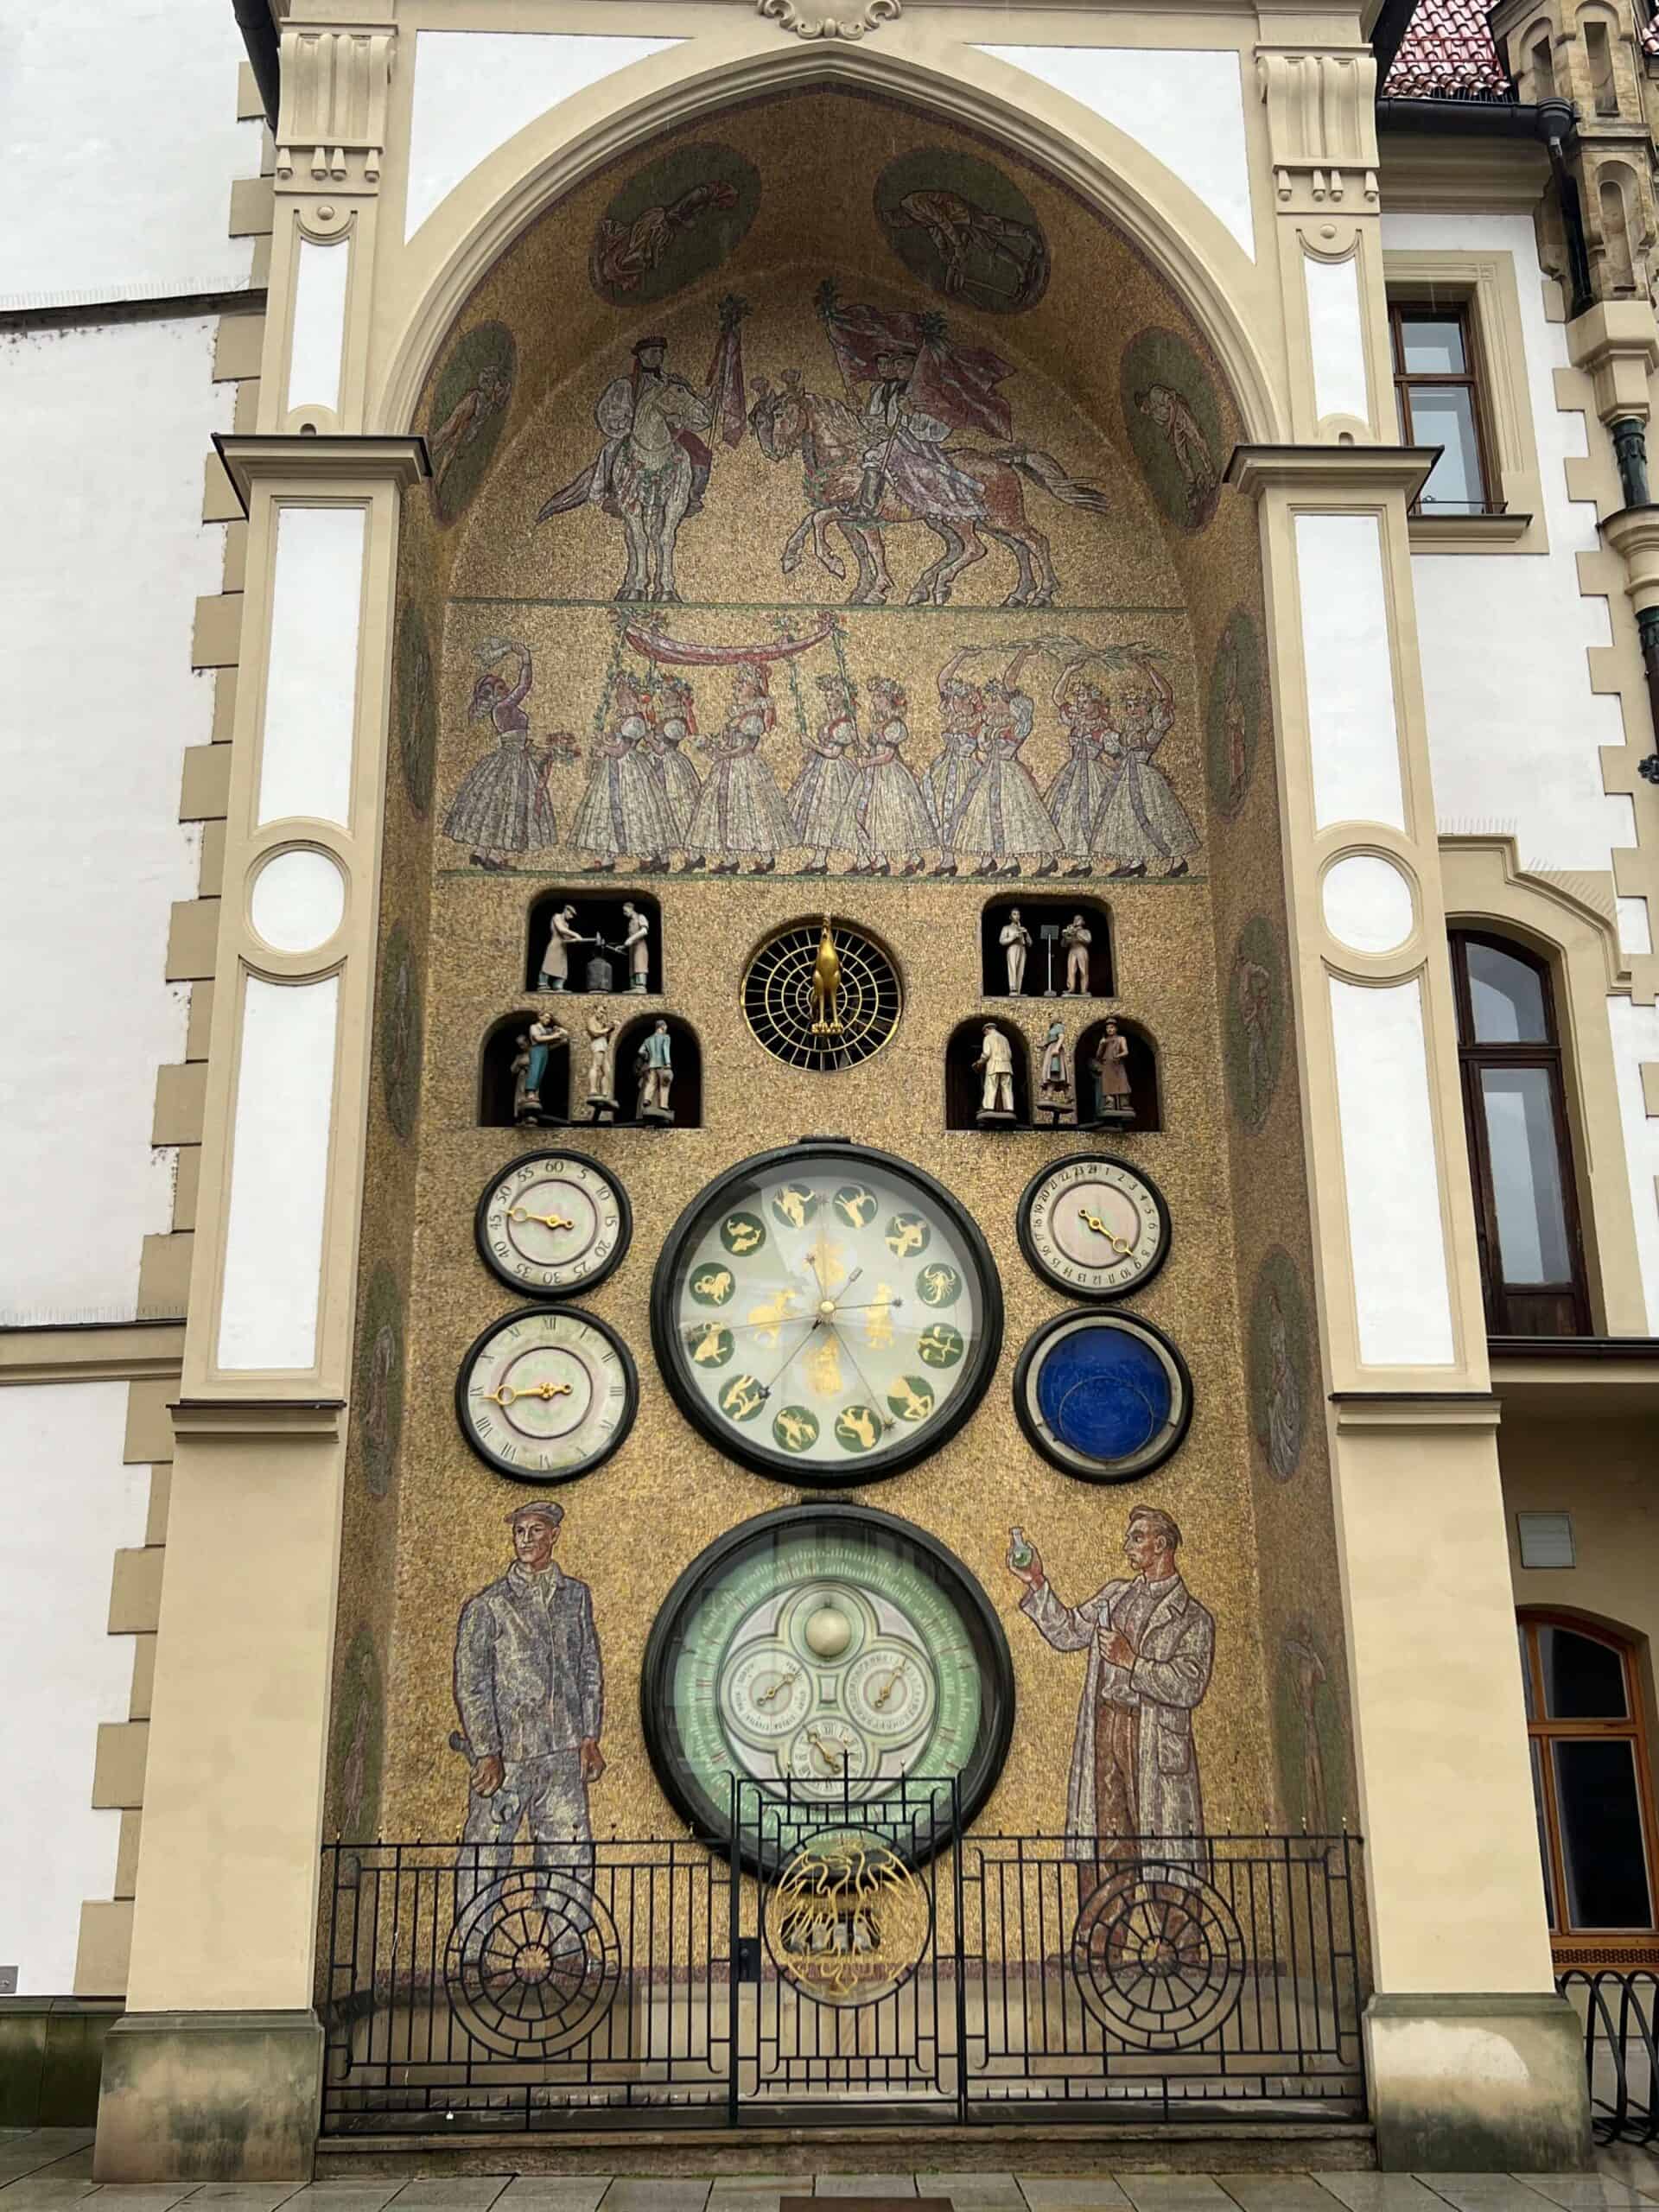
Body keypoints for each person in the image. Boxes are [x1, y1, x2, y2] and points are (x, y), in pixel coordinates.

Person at [1007, 1507, 1213, 1873]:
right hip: (1105, 1725)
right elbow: (1069, 1631)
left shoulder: (1192, 1617)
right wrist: (1036, 1581)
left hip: (1150, 1734)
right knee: (1107, 1838)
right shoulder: (1116, 1595)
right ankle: (1104, 1926)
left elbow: (1189, 1685)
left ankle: (1175, 1928)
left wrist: (1132, 1662)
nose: (1127, 1546)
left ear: (1161, 1544)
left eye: (1137, 1537)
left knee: (1163, 1852)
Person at [454, 1502, 605, 1903]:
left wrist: (589, 1737)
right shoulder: (488, 1606)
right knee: (487, 1853)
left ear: (553, 1535)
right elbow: (471, 1684)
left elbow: (588, 1666)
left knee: (569, 1852)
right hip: (508, 1757)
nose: (526, 1539)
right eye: (519, 1531)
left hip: (561, 1753)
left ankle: (568, 1943)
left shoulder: (575, 1597)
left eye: (536, 1530)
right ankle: (471, 1947)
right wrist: (487, 1750)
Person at [442, 639, 559, 871]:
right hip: (511, 760)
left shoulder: (507, 709)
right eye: (500, 688)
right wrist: (525, 658)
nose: (506, 689)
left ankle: (484, 853)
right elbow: (524, 686)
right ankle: (490, 855)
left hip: (518, 756)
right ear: (494, 696)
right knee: (506, 804)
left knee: (504, 806)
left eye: (504, 686)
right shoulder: (502, 709)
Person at [850, 345, 985, 522]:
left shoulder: (931, 394)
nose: (898, 370)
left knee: (873, 455)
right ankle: (856, 499)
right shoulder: (900, 392)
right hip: (900, 441)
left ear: (917, 367)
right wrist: (867, 419)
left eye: (903, 365)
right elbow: (887, 422)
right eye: (896, 365)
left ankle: (867, 507)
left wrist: (913, 413)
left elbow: (940, 430)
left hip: (919, 447)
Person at [684, 662, 792, 875]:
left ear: (753, 689)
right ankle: (730, 858)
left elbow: (747, 746)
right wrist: (712, 747)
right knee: (725, 809)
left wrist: (724, 754)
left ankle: (765, 857)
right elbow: (729, 742)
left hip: (744, 767)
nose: (736, 689)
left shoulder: (753, 717)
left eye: (741, 685)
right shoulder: (738, 715)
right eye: (737, 686)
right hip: (727, 766)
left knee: (753, 809)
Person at [569, 672, 675, 874]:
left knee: (634, 811)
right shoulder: (623, 719)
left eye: (624, 694)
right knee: (608, 811)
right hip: (613, 767)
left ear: (634, 698)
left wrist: (603, 745)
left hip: (628, 770)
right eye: (619, 694)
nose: (619, 697)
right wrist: (602, 746)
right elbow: (615, 746)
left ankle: (649, 857)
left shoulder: (635, 722)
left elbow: (621, 750)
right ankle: (606, 859)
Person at [834, 675, 938, 878]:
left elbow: (889, 755)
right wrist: (860, 746)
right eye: (874, 697)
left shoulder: (895, 726)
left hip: (889, 774)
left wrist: (868, 762)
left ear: (890, 699)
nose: (874, 701)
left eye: (879, 696)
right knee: (867, 816)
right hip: (873, 773)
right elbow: (876, 749)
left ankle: (914, 858)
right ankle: (878, 860)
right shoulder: (880, 723)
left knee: (897, 817)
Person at [790, 674, 861, 876]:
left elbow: (834, 753)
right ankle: (820, 859)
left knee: (841, 815)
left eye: (832, 695)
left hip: (835, 770)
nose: (828, 699)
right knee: (820, 815)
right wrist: (810, 752)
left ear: (842, 697)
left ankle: (863, 858)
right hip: (821, 767)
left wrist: (812, 744)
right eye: (827, 695)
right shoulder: (832, 720)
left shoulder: (845, 725)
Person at [1089, 1019, 1133, 1123]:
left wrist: (1118, 1055)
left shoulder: (1121, 1039)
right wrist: (1101, 1044)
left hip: (1118, 1064)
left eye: (1112, 1027)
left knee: (1122, 1082)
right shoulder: (1104, 1040)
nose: (1110, 1030)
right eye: (1108, 1028)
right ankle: (1110, 1103)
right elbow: (1098, 1056)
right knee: (1108, 1085)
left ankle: (1124, 1104)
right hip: (1107, 1065)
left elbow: (1126, 1051)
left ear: (1116, 1028)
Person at [537, 905, 587, 991]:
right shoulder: (557, 917)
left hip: (563, 947)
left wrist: (575, 940)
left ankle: (558, 986)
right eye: (571, 914)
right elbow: (561, 929)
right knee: (548, 964)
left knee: (563, 968)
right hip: (555, 944)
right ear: (567, 910)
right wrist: (576, 934)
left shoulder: (567, 924)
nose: (571, 917)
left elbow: (566, 939)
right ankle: (542, 984)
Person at [974, 1021, 1015, 1121]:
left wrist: (979, 1062)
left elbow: (986, 1053)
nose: (985, 1034)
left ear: (987, 1029)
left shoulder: (988, 1038)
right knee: (1007, 1087)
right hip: (1006, 1066)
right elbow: (1010, 1055)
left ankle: (989, 1107)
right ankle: (1009, 1108)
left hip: (994, 1066)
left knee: (991, 1086)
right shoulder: (1005, 1039)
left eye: (985, 1032)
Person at [637, 1018, 674, 1121]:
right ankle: (663, 1105)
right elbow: (665, 1050)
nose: (666, 1028)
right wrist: (668, 1063)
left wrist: (647, 1056)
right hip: (662, 1064)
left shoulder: (648, 1039)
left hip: (651, 1064)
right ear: (662, 1027)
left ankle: (647, 1100)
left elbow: (640, 1051)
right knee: (664, 1084)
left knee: (651, 1084)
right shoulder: (666, 1037)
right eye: (665, 1026)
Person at [619, 901, 651, 993]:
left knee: (639, 964)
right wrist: (623, 946)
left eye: (625, 911)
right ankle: (634, 987)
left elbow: (644, 931)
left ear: (631, 909)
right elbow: (629, 940)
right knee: (633, 966)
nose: (624, 913)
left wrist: (631, 939)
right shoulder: (631, 922)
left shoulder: (640, 917)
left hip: (640, 946)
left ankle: (641, 986)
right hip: (632, 947)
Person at [1000, 906, 1033, 994]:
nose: (1017, 916)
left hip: (1022, 948)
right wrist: (1013, 937)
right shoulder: (1006, 928)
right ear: (1010, 917)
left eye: (1018, 914)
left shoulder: (1023, 928)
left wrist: (1026, 934)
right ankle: (1012, 988)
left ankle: (1018, 990)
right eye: (1014, 914)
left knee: (1020, 970)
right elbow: (1002, 941)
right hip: (1012, 948)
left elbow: (1030, 943)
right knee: (1013, 968)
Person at [1062, 912, 1093, 995]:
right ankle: (1071, 988)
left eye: (1079, 919)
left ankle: (1084, 990)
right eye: (1075, 919)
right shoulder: (1070, 930)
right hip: (1072, 951)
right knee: (1071, 970)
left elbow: (1088, 940)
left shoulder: (1085, 931)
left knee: (1083, 970)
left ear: (1083, 922)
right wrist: (1065, 936)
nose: (1076, 921)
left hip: (1081, 950)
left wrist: (1076, 933)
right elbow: (1064, 945)